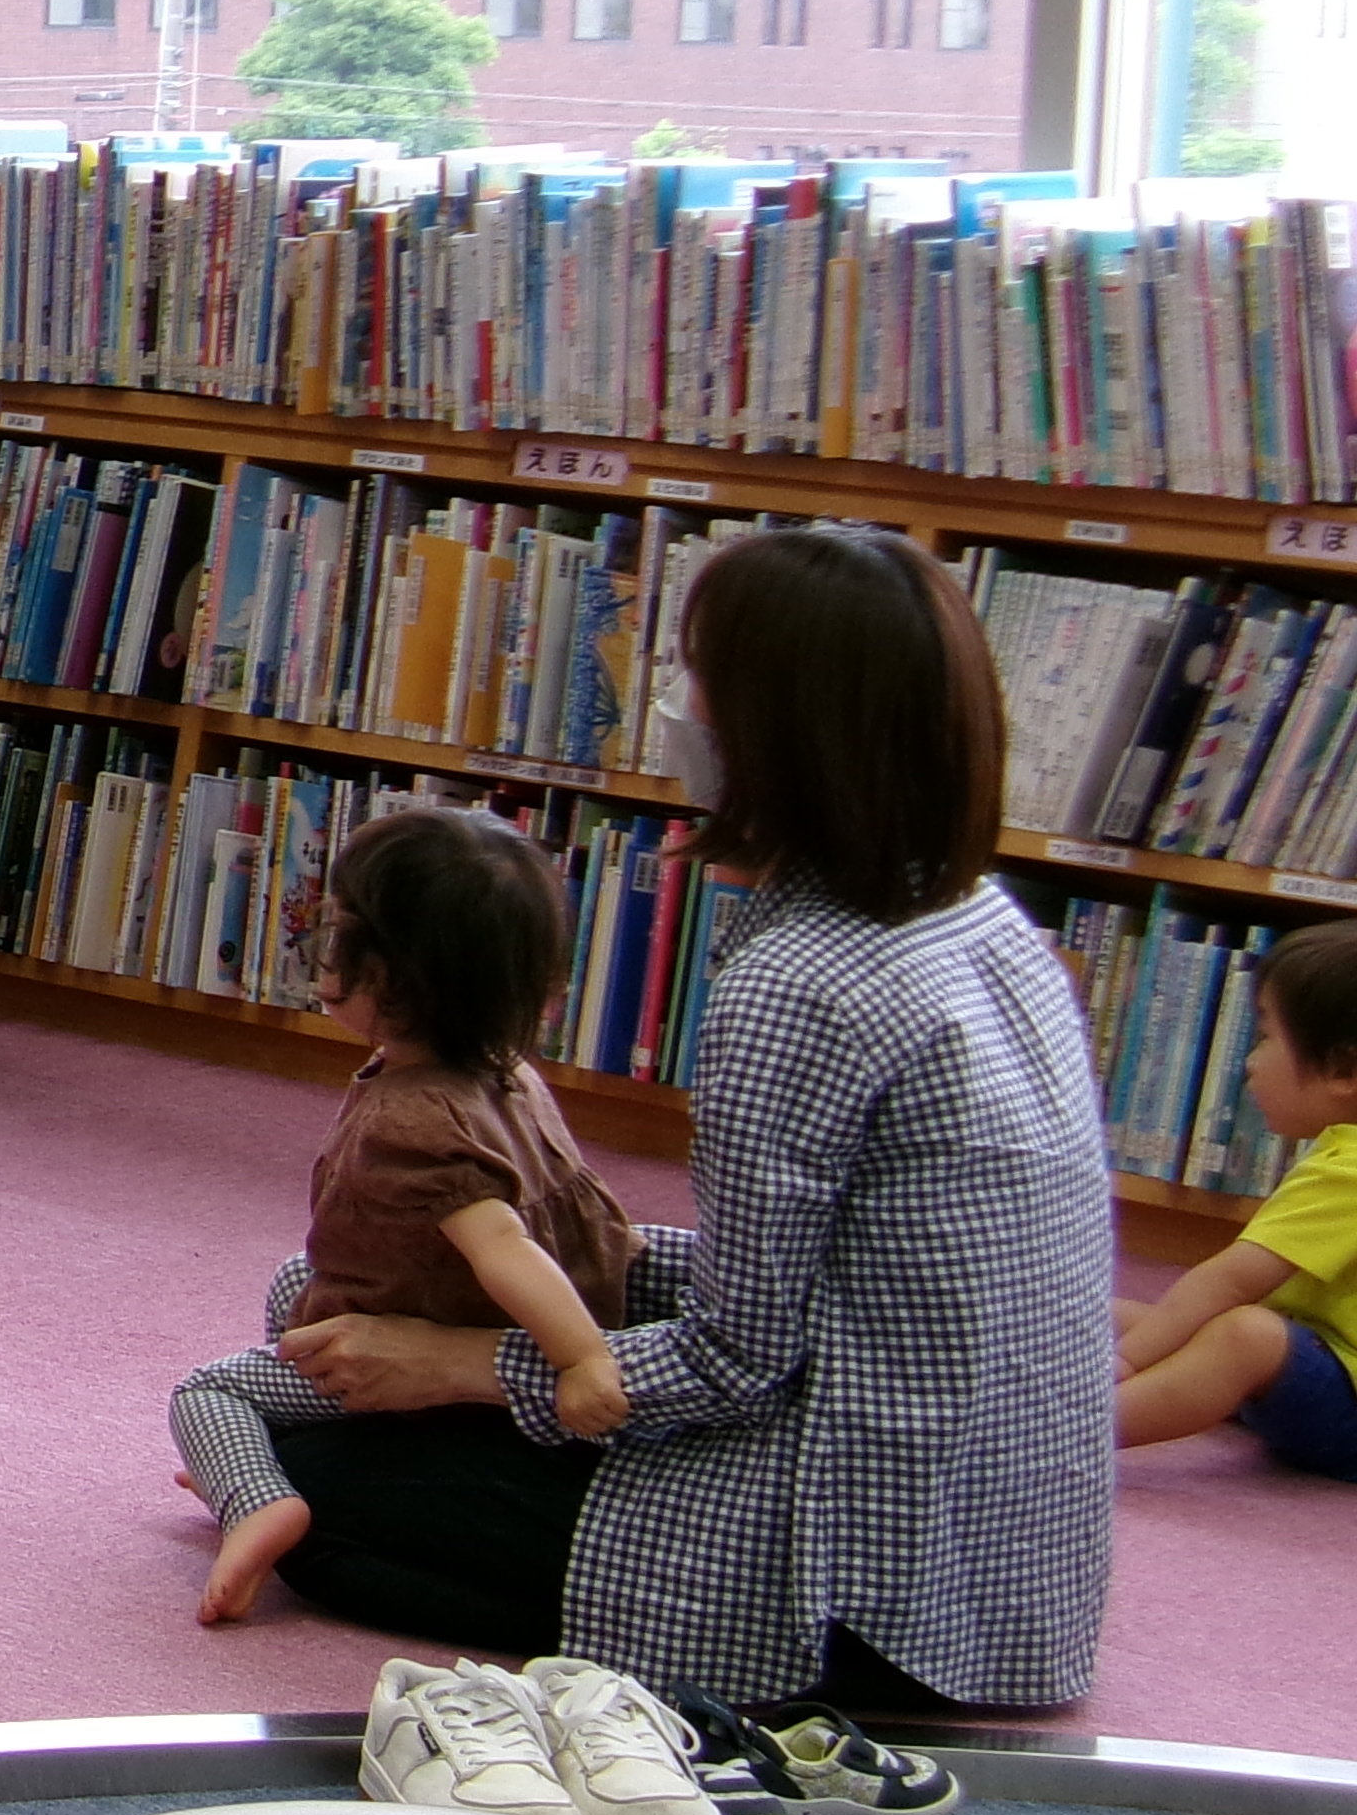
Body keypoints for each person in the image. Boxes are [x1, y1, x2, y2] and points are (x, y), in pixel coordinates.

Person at [268, 525, 1119, 1710]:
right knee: (329, 1306)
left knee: (309, 1463)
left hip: (856, 1577)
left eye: (698, 675)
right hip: (1012, 1563)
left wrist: (458, 1364)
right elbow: (837, 1274)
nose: (675, 705)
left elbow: (737, 1359)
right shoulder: (983, 921)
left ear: (777, 728)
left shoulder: (798, 985)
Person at [172, 809, 641, 1627]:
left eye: (339, 932)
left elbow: (504, 1246)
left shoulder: (413, 1120)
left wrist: (582, 1360)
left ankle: (255, 1498)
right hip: (440, 1299)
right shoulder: (508, 1073)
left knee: (206, 1392)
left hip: (444, 1359)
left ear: (388, 976)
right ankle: (254, 1464)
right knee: (292, 1283)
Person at [1113, 920, 1357, 1474]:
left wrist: (1126, 1360)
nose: (1249, 1061)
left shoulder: (1349, 1171)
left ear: (1343, 1070)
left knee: (1242, 1335)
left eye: (1265, 1037)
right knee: (1125, 1315)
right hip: (1324, 1354)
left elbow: (1231, 1280)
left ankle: (1058, 1437)